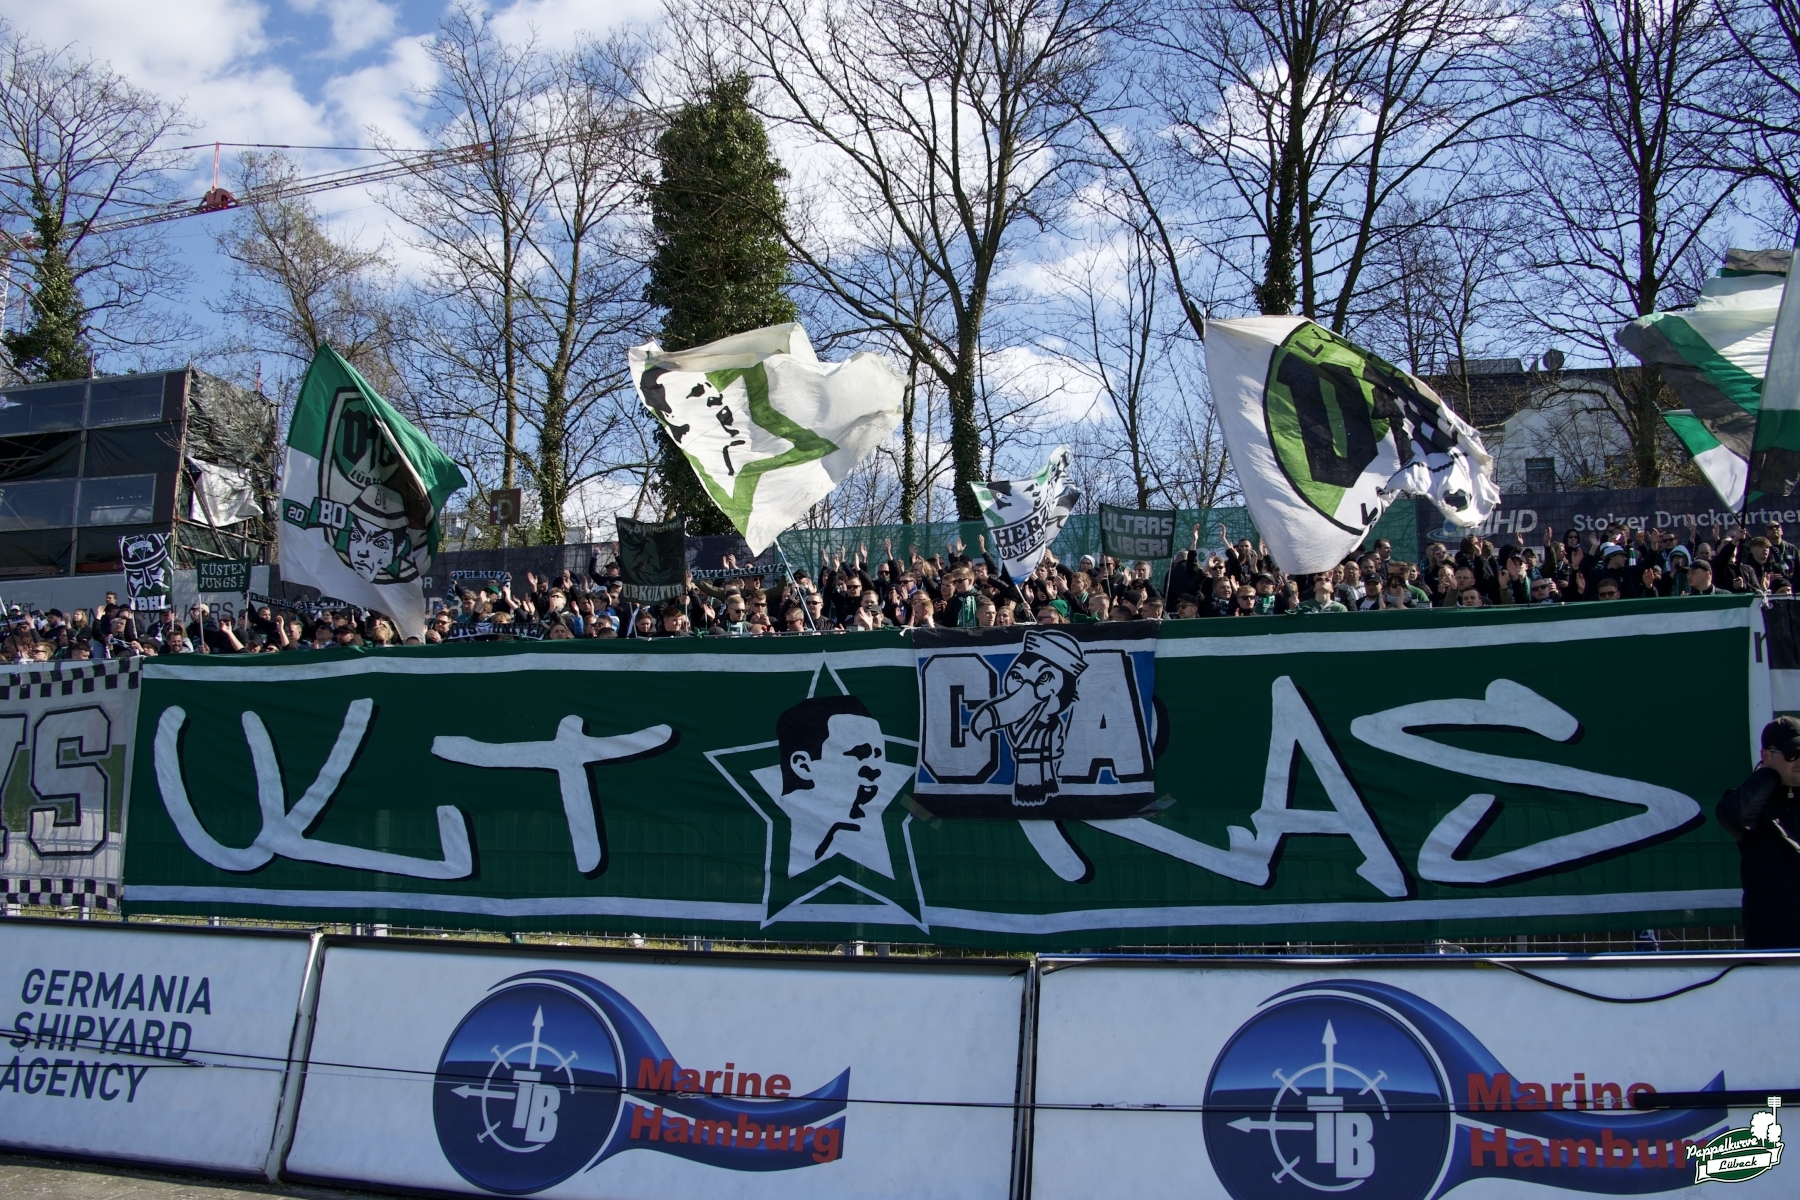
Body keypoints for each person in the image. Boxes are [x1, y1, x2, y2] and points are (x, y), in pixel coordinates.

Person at [1718, 717, 1800, 948]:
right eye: (1791, 753)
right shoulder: (1754, 803)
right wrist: (1768, 774)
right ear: (1766, 756)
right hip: (1773, 946)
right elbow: (1734, 816)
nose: (1799, 761)